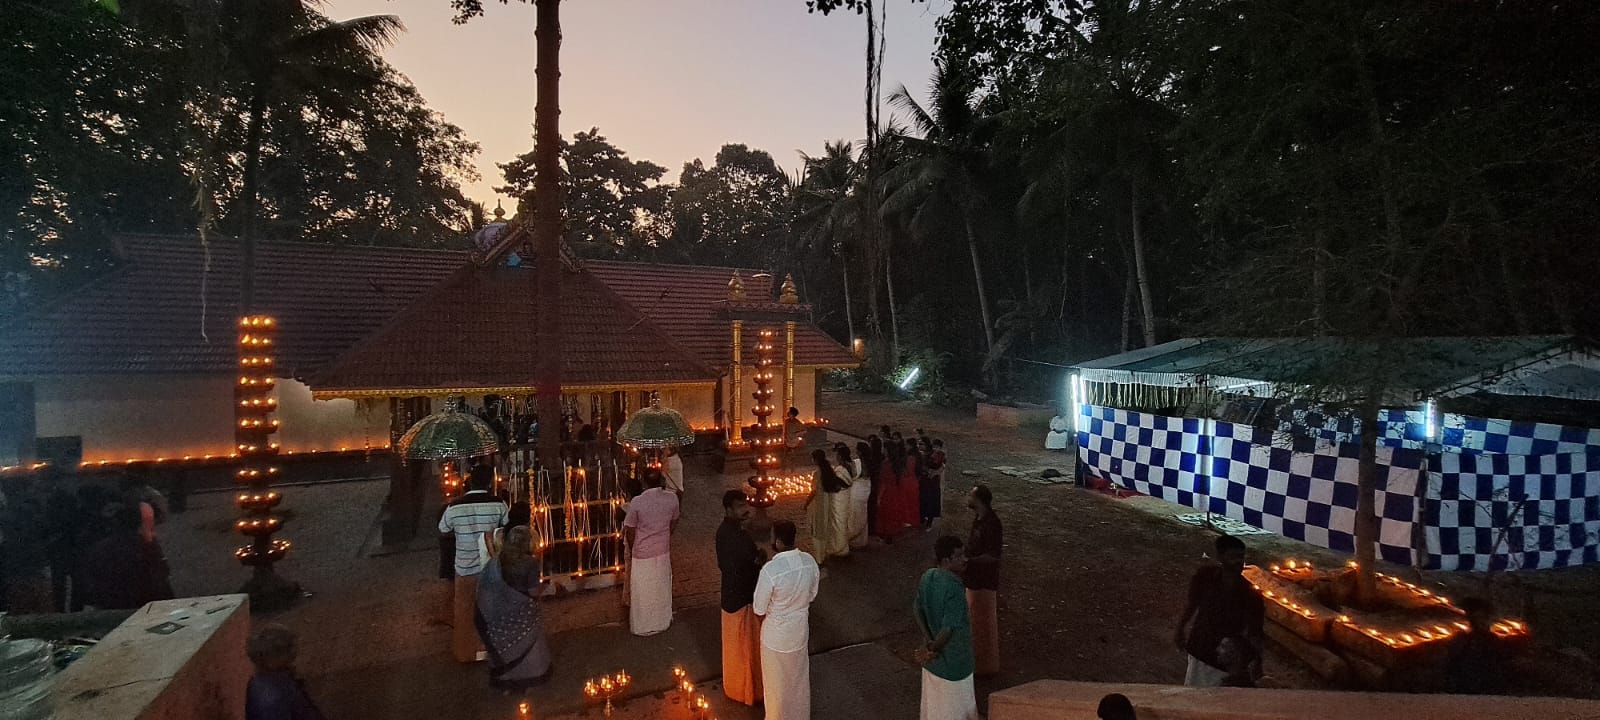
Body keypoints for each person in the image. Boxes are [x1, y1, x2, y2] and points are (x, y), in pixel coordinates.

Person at [439, 469, 509, 663]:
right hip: (490, 565)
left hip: (465, 565)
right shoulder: (498, 504)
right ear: (488, 484)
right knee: (492, 609)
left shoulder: (454, 506)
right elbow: (505, 526)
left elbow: (443, 528)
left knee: (464, 610)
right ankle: (491, 649)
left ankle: (466, 653)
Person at [1174, 535, 1264, 687]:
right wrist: (1180, 628)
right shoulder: (1205, 577)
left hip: (1226, 657)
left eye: (1241, 557)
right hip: (1201, 647)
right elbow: (1192, 604)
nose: (1238, 562)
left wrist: (1257, 662)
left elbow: (1255, 632)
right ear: (1220, 557)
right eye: (1233, 557)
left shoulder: (1250, 594)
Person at [753, 520, 820, 720]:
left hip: (775, 637)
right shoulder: (809, 561)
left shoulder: (771, 570)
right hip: (799, 632)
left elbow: (758, 608)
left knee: (776, 685)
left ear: (779, 542)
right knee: (797, 680)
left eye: (772, 537)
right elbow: (812, 595)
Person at [475, 525, 552, 689]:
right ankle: (529, 674)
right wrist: (549, 587)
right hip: (518, 615)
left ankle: (504, 679)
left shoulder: (496, 559)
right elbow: (532, 592)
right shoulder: (529, 563)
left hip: (491, 616)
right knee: (533, 619)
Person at [914, 535, 978, 720]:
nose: (965, 559)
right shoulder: (955, 588)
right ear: (946, 560)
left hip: (933, 665)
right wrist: (933, 648)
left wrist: (927, 642)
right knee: (956, 709)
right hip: (955, 662)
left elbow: (917, 610)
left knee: (933, 707)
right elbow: (948, 629)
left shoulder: (928, 577)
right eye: (959, 556)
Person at [716, 490, 764, 706]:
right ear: (728, 510)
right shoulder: (727, 534)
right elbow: (731, 567)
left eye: (745, 505)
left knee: (749, 647)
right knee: (740, 648)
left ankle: (751, 689)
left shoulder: (739, 532)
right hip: (739, 597)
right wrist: (757, 561)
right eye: (739, 506)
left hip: (745, 595)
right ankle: (740, 689)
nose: (745, 510)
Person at [78, 504, 174, 610]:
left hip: (112, 604)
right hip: (143, 603)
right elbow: (161, 574)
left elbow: (92, 583)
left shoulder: (100, 548)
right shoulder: (146, 546)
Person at [624, 467, 680, 636]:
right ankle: (662, 620)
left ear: (644, 482)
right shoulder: (672, 499)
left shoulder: (637, 503)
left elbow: (630, 529)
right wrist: (664, 535)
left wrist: (635, 547)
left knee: (643, 590)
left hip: (642, 553)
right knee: (661, 586)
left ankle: (643, 625)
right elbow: (674, 521)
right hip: (662, 549)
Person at [246, 624, 326, 720]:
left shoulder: (263, 681)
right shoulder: (270, 697)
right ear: (271, 657)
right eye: (288, 649)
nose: (293, 653)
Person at [964, 484, 1003, 676]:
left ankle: (985, 666)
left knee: (983, 626)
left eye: (970, 495)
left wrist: (969, 561)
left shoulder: (991, 524)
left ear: (979, 500)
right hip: (974, 578)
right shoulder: (980, 520)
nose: (967, 498)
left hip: (984, 581)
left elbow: (993, 556)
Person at [806, 449, 850, 564]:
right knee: (826, 527)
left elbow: (814, 491)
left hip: (819, 504)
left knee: (817, 530)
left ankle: (819, 558)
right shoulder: (828, 470)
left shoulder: (818, 473)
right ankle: (826, 552)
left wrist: (806, 503)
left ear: (815, 460)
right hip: (828, 502)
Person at [876, 439, 917, 539]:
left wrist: (879, 496)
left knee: (885, 513)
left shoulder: (886, 464)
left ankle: (885, 534)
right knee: (893, 513)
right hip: (896, 491)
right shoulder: (896, 463)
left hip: (887, 492)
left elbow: (883, 481)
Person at [840, 444, 871, 550]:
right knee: (863, 512)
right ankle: (862, 540)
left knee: (855, 515)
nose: (855, 451)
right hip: (866, 488)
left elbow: (853, 475)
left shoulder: (857, 463)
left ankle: (851, 537)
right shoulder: (869, 461)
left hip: (857, 490)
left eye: (857, 449)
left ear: (860, 452)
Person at [864, 436, 884, 540]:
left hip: (874, 484)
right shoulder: (882, 456)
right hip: (879, 484)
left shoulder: (873, 458)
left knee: (872, 506)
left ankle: (872, 528)